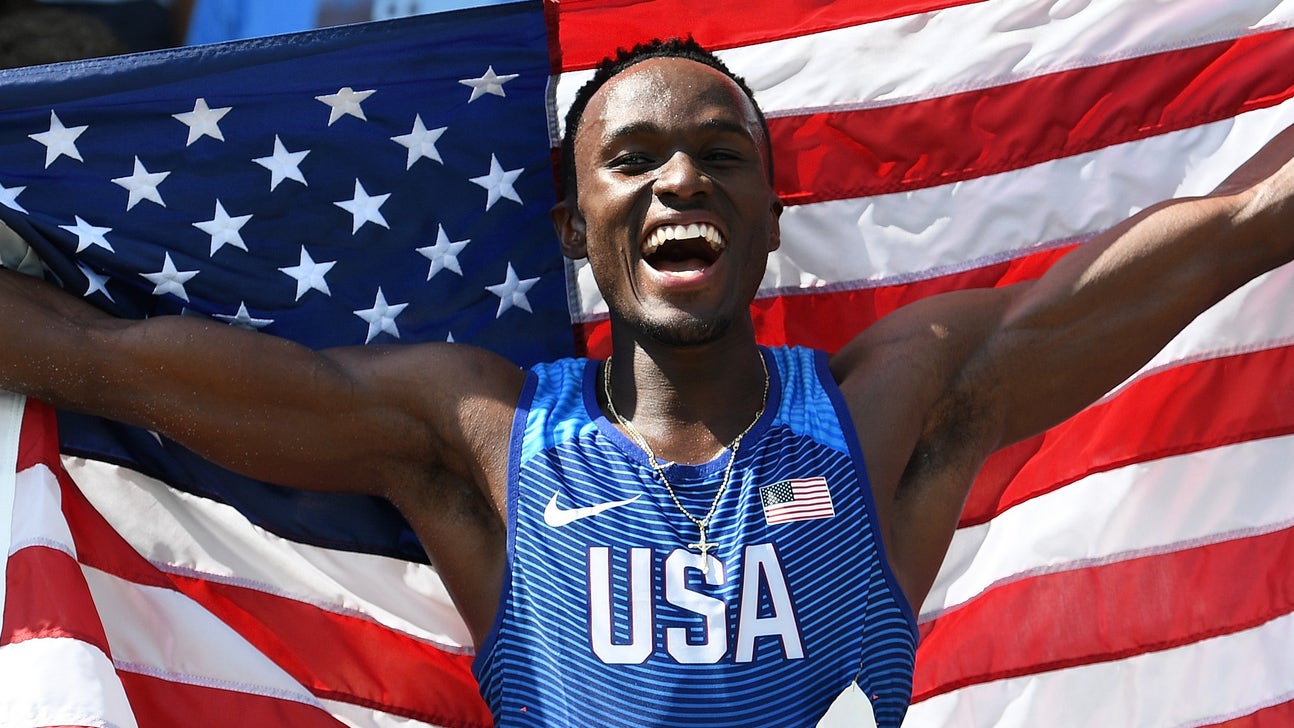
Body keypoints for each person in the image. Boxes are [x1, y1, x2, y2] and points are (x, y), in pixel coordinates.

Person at [1, 36, 1292, 726]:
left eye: (720, 155)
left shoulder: (888, 408)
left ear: (771, 218)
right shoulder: (474, 433)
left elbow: (1237, 232)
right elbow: (93, 357)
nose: (681, 181)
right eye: (635, 161)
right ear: (575, 229)